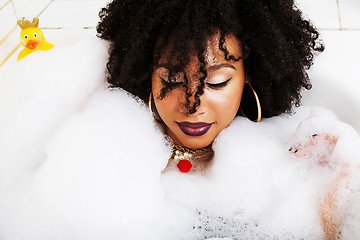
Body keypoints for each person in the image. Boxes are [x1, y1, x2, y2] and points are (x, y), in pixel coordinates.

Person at [94, 0, 360, 239]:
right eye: (172, 80)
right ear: (146, 73)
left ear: (249, 74)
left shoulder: (284, 155)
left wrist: (331, 201)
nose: (192, 106)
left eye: (217, 82)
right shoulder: (114, 153)